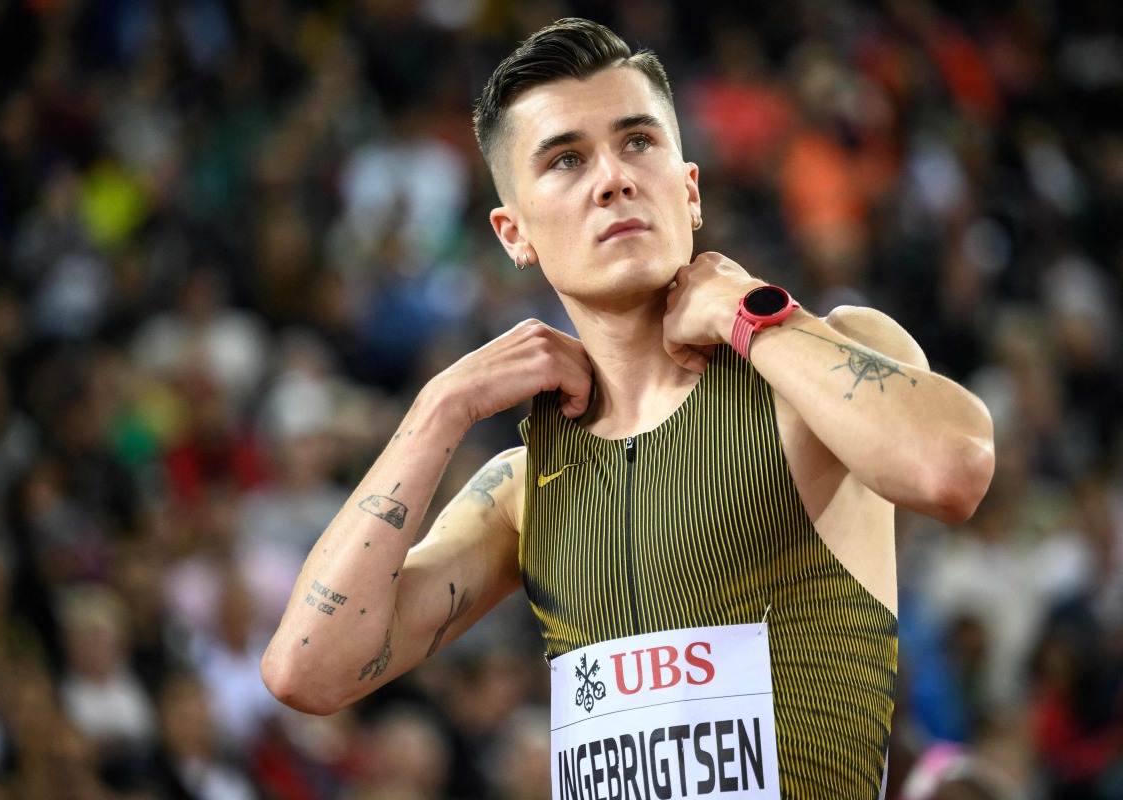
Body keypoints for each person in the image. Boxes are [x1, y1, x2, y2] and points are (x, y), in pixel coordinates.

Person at [262, 18, 995, 798]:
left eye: (639, 142)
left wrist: (749, 314)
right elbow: (308, 670)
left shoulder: (819, 368)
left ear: (690, 188)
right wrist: (440, 407)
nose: (613, 178)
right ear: (514, 234)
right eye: (566, 159)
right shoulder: (521, 491)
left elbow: (952, 468)